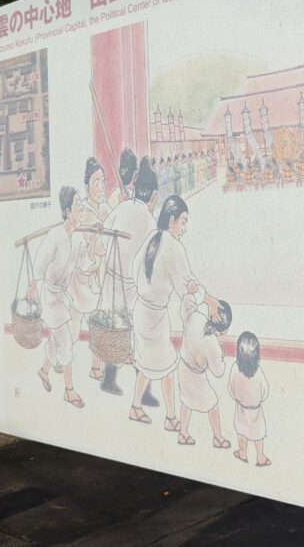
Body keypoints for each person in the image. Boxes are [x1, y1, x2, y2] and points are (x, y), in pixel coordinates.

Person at [130, 195, 222, 429]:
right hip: (154, 316)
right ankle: (171, 418)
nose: (184, 228)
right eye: (183, 222)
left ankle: (136, 407)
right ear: (172, 220)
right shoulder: (173, 246)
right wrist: (207, 298)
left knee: (147, 364)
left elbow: (134, 269)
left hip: (141, 310)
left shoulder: (152, 237)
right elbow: (187, 288)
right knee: (167, 365)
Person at [97, 157, 158, 399]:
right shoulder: (150, 222)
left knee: (117, 331)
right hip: (131, 288)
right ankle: (144, 391)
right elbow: (149, 264)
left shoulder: (121, 209)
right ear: (153, 195)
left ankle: (110, 379)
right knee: (138, 337)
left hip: (114, 282)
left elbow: (103, 237)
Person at [28, 186, 86, 409]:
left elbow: (84, 263)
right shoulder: (55, 236)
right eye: (78, 206)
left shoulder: (77, 239)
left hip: (62, 295)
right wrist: (33, 283)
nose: (81, 209)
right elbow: (41, 261)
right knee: (65, 342)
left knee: (59, 338)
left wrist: (95, 255)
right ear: (68, 210)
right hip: (50, 297)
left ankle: (43, 371)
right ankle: (69, 391)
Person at [69, 158, 111, 383]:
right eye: (95, 182)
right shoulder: (85, 212)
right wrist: (97, 233)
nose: (100, 186)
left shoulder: (103, 208)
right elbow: (93, 253)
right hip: (84, 276)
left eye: (102, 181)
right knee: (75, 323)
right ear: (87, 186)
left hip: (98, 274)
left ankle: (96, 366)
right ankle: (59, 358)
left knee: (95, 319)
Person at [178, 292, 233, 449]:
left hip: (183, 367)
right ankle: (217, 437)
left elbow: (187, 305)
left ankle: (183, 432)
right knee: (212, 403)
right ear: (223, 329)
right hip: (196, 376)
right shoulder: (212, 343)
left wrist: (195, 295)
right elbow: (218, 371)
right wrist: (221, 356)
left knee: (186, 401)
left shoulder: (196, 318)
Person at [229, 331, 271, 466]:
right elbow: (265, 392)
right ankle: (260, 457)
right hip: (255, 410)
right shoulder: (258, 373)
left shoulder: (235, 369)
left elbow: (230, 389)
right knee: (258, 434)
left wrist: (238, 398)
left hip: (241, 408)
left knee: (241, 432)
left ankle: (242, 453)